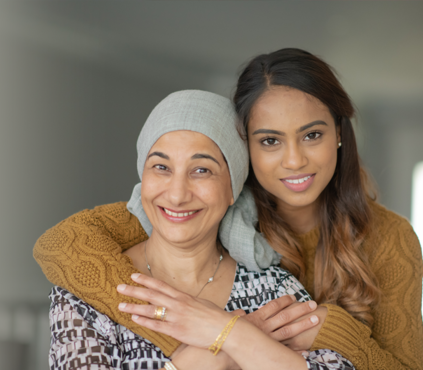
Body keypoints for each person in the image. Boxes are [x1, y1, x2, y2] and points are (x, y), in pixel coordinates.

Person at [36, 49, 423, 370]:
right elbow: (60, 244)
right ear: (246, 149)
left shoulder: (384, 241)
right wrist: (202, 335)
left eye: (312, 135)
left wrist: (335, 331)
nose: (294, 160)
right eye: (270, 140)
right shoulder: (198, 212)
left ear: (339, 133)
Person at [47, 90, 354, 369]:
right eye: (161, 167)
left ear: (232, 188)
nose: (178, 194)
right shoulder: (86, 292)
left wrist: (230, 336)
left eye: (202, 170)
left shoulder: (274, 290)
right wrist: (223, 351)